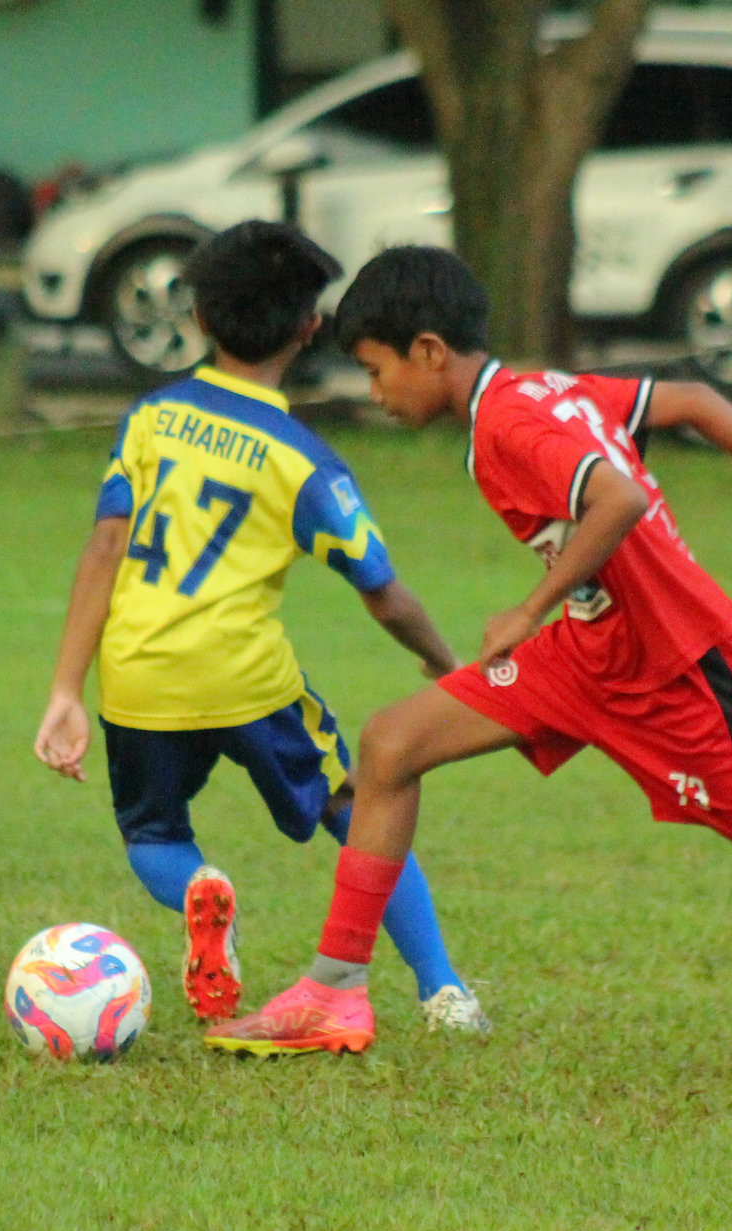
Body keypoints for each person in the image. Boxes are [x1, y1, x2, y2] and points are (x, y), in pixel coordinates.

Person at [204, 246, 732, 1087]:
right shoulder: (540, 389)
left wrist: (529, 609)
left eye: (376, 371)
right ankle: (335, 989)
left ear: (428, 351)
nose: (375, 393)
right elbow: (698, 402)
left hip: (677, 667)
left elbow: (621, 499)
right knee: (389, 746)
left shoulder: (512, 422)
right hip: (589, 651)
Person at [35, 222, 487, 1034]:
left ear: (199, 319)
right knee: (360, 807)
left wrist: (67, 687)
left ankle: (200, 889)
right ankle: (443, 988)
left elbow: (106, 546)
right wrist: (444, 659)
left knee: (152, 832)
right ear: (310, 329)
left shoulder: (149, 418)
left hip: (138, 676)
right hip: (247, 679)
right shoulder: (301, 458)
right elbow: (383, 592)